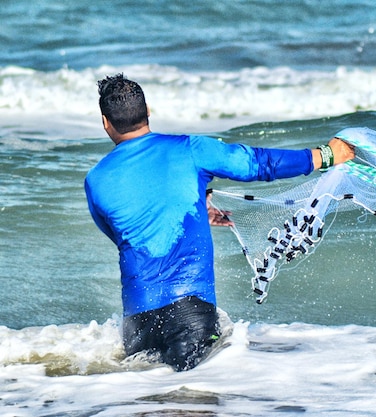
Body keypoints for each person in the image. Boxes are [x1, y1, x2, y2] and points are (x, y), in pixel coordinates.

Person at [84, 73, 354, 371]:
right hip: (190, 314)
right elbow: (257, 163)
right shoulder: (190, 149)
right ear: (148, 111)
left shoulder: (95, 180)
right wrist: (325, 156)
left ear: (105, 122)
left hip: (138, 323)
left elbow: (125, 236)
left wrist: (190, 208)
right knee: (194, 401)